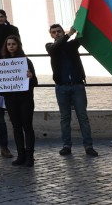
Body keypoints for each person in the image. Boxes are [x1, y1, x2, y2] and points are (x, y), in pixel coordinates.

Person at [46, 24, 97, 157]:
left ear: (62, 32)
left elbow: (82, 36)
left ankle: (88, 146)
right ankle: (66, 145)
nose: (57, 34)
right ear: (51, 35)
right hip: (61, 87)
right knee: (65, 118)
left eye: (59, 31)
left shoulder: (72, 45)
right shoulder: (50, 46)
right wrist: (69, 34)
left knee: (82, 117)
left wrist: (81, 20)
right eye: (54, 32)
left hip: (77, 85)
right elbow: (55, 49)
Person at [0, 35, 37, 167]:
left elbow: (35, 82)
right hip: (10, 99)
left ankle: (30, 156)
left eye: (13, 44)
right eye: (8, 44)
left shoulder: (26, 61)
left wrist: (31, 77)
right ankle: (20, 154)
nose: (11, 46)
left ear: (18, 45)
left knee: (27, 126)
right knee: (16, 127)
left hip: (25, 99)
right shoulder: (2, 62)